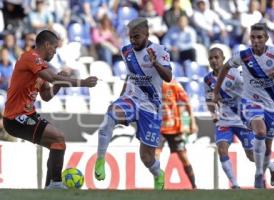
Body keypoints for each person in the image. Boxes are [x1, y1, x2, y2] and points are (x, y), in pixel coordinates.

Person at [2, 30, 98, 189]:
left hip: (27, 114)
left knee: (57, 143)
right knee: (58, 138)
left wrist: (59, 84)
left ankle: (50, 188)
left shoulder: (41, 66)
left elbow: (46, 95)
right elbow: (52, 78)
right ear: (47, 45)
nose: (55, 52)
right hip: (15, 117)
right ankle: (55, 183)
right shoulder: (30, 58)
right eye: (54, 47)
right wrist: (83, 82)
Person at [212, 23, 274, 188]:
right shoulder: (243, 55)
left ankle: (272, 167)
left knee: (267, 150)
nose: (256, 41)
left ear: (266, 39)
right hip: (250, 103)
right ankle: (259, 174)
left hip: (270, 105)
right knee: (259, 130)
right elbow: (225, 68)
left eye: (259, 37)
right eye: (253, 37)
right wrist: (216, 91)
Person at [94, 17, 172, 190]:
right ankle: (100, 160)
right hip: (131, 99)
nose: (133, 40)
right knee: (110, 115)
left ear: (146, 33)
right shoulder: (126, 51)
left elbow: (168, 77)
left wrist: (156, 64)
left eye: (136, 36)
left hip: (151, 107)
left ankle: (158, 174)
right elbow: (131, 74)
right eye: (130, 37)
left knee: (146, 157)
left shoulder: (159, 50)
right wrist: (120, 98)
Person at [206, 47, 274, 189]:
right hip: (225, 120)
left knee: (251, 156)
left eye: (217, 57)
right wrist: (213, 113)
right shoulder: (207, 79)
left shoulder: (235, 74)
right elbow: (209, 98)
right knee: (221, 149)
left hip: (242, 120)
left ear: (223, 59)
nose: (214, 61)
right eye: (211, 58)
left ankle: (272, 165)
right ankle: (234, 185)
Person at [156, 79, 198, 189]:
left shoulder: (174, 84)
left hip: (174, 127)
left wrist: (192, 123)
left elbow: (187, 102)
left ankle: (194, 186)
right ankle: (159, 186)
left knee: (183, 156)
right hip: (158, 128)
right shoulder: (151, 83)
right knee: (156, 156)